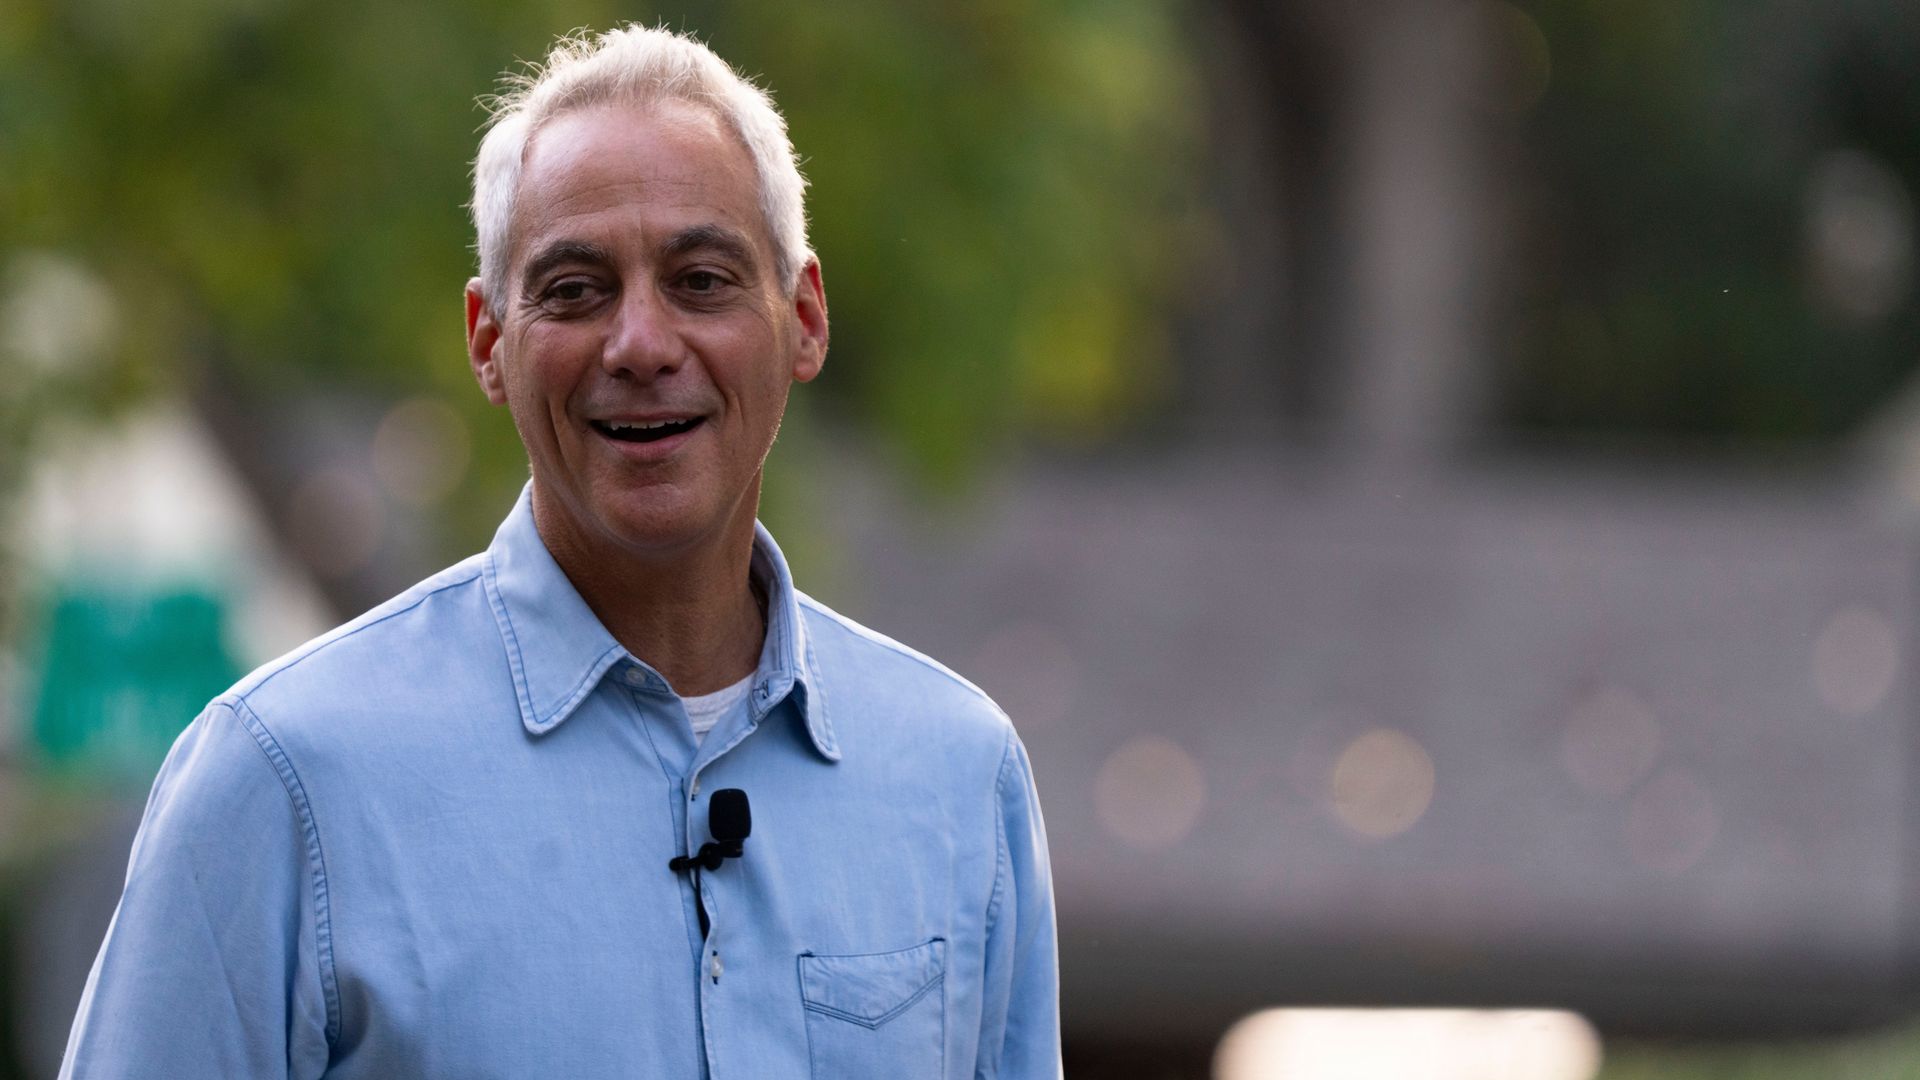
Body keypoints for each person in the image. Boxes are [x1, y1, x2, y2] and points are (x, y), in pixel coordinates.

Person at [59, 24, 1060, 1079]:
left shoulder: (955, 776)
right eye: (575, 291)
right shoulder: (281, 781)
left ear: (803, 319)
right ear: (490, 342)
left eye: (703, 279)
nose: (639, 345)